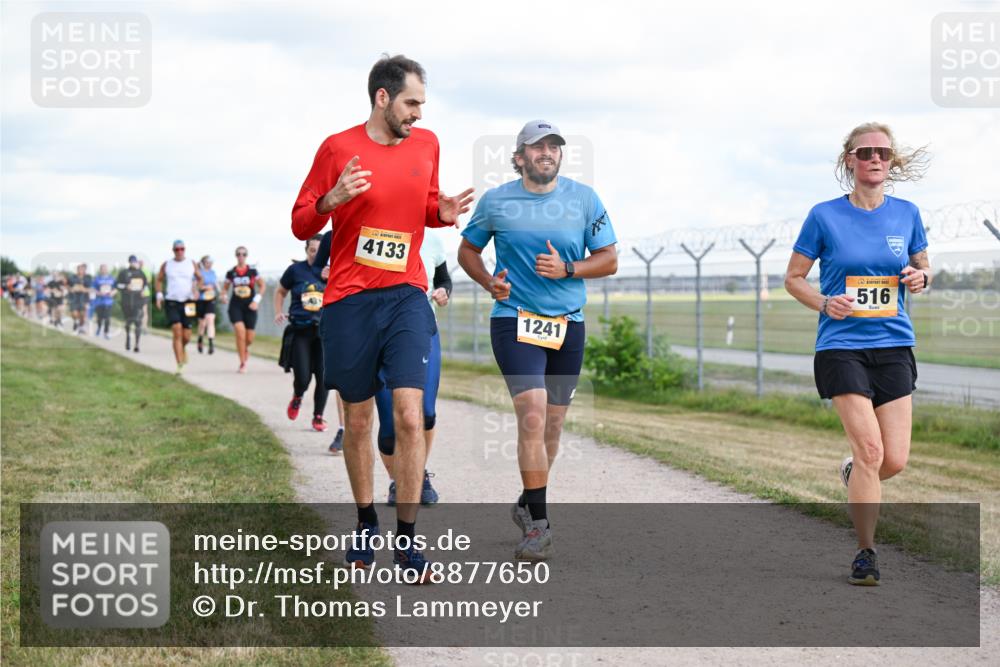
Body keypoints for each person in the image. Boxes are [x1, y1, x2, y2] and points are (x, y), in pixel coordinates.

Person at [291, 53, 472, 580]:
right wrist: (332, 197)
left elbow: (419, 207)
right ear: (382, 97)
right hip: (349, 298)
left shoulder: (427, 143)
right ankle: (366, 521)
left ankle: (409, 543)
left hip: (407, 294)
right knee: (360, 418)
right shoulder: (337, 148)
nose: (418, 113)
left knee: (411, 415)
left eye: (422, 103)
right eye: (411, 102)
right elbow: (301, 223)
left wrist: (438, 213)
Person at [458, 120, 618, 561]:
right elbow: (467, 251)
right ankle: (540, 526)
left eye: (554, 146)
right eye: (537, 146)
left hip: (568, 324)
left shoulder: (584, 199)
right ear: (519, 156)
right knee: (532, 412)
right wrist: (490, 282)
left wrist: (568, 269)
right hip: (515, 320)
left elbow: (609, 260)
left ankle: (529, 500)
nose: (547, 152)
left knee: (552, 425)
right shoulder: (496, 202)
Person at [785, 121, 930, 586]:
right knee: (870, 450)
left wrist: (920, 278)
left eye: (883, 153)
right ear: (850, 159)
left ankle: (853, 474)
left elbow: (923, 268)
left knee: (894, 460)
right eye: (865, 151)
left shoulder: (907, 213)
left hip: (893, 346)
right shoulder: (824, 215)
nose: (874, 159)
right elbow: (793, 278)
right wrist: (825, 302)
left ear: (892, 162)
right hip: (841, 346)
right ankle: (866, 553)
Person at [376, 228, 450, 506]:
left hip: (422, 331)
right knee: (389, 429)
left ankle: (416, 474)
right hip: (379, 334)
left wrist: (444, 291)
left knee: (426, 414)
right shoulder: (375, 230)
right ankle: (398, 480)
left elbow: (443, 278)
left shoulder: (431, 238)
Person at [275, 235, 330, 432]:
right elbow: (280, 291)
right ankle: (298, 395)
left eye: (320, 250)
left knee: (324, 377)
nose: (316, 254)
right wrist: (279, 311)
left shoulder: (332, 271)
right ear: (306, 251)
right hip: (301, 330)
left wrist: (332, 279)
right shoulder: (295, 271)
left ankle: (318, 416)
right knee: (303, 377)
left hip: (324, 332)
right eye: (312, 250)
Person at [156, 240, 202, 375]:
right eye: (177, 249)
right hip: (172, 301)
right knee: (176, 330)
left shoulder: (191, 263)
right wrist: (159, 295)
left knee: (186, 336)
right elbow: (159, 280)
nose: (180, 251)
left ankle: (182, 348)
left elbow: (200, 278)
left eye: (182, 249)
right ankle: (179, 364)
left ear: (185, 249)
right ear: (173, 250)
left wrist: (197, 290)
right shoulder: (167, 265)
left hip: (188, 302)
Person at [221, 246, 265, 374]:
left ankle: (244, 348)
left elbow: (262, 286)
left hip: (250, 306)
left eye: (243, 254)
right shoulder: (231, 273)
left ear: (246, 256)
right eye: (239, 254)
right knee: (240, 332)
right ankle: (242, 363)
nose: (241, 256)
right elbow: (224, 288)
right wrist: (223, 296)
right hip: (236, 306)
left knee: (249, 337)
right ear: (236, 256)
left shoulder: (253, 271)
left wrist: (256, 301)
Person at [116, 255, 148, 352]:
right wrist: (126, 286)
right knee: (128, 322)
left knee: (138, 322)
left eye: (135, 262)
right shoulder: (124, 273)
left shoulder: (141, 273)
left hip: (138, 301)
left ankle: (137, 345)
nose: (133, 263)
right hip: (127, 301)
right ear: (129, 262)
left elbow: (146, 285)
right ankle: (128, 338)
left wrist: (144, 291)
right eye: (131, 262)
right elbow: (117, 285)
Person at [196, 255, 219, 355]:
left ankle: (211, 344)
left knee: (210, 320)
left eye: (211, 262)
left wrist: (222, 294)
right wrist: (205, 287)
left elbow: (217, 285)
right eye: (207, 262)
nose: (209, 264)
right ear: (203, 263)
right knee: (202, 324)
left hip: (211, 299)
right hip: (201, 300)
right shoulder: (199, 273)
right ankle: (200, 339)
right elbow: (196, 286)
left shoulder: (213, 273)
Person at [91, 264, 117, 339]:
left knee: (107, 317)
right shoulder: (97, 279)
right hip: (99, 301)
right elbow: (93, 288)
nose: (104, 270)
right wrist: (98, 293)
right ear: (100, 270)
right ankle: (99, 328)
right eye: (102, 269)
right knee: (99, 318)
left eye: (105, 268)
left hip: (108, 301)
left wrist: (112, 293)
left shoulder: (112, 279)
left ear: (107, 269)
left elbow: (116, 288)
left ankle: (106, 332)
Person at [67, 263, 92, 334]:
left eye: (82, 269)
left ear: (85, 270)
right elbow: (68, 286)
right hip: (74, 298)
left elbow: (90, 288)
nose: (80, 270)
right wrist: (71, 289)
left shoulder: (88, 277)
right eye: (79, 269)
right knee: (74, 314)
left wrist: (82, 289)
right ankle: (76, 323)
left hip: (84, 298)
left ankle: (80, 327)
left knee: (82, 314)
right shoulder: (72, 277)